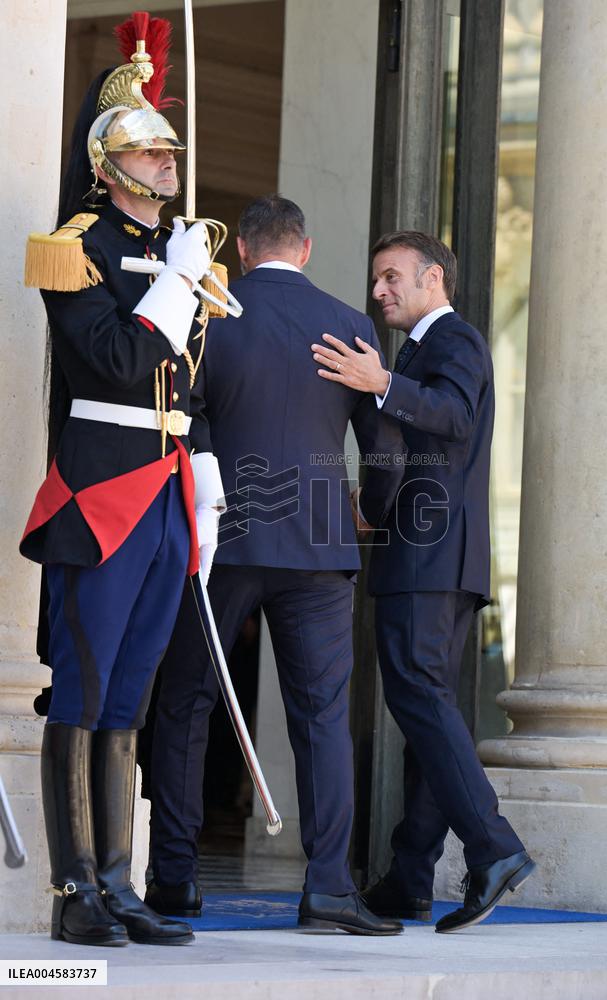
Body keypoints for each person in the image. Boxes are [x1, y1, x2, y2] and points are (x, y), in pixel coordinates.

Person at [146, 195, 405, 936]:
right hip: (321, 543)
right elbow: (384, 448)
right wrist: (372, 513)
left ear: (245, 254)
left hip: (219, 537)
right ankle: (327, 886)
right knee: (321, 716)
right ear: (307, 249)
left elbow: (179, 424)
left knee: (187, 702)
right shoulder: (352, 326)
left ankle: (174, 879)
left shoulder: (208, 314)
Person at [20, 13, 224, 947]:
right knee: (84, 685)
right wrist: (176, 283)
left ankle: (118, 881)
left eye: (169, 149)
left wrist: (205, 466)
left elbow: (190, 380)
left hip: (168, 486)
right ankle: (73, 894)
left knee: (131, 694)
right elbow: (106, 362)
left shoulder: (185, 249)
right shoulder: (78, 246)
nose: (166, 162)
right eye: (147, 152)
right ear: (108, 165)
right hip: (102, 490)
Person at [311, 230, 535, 932]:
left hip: (434, 557)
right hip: (426, 554)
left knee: (422, 700)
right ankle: (410, 877)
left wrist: (381, 383)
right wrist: (371, 510)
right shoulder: (419, 352)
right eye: (375, 279)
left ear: (433, 277)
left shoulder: (456, 339)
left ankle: (494, 849)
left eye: (391, 277)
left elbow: (456, 418)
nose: (378, 291)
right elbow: (404, 452)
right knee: (426, 709)